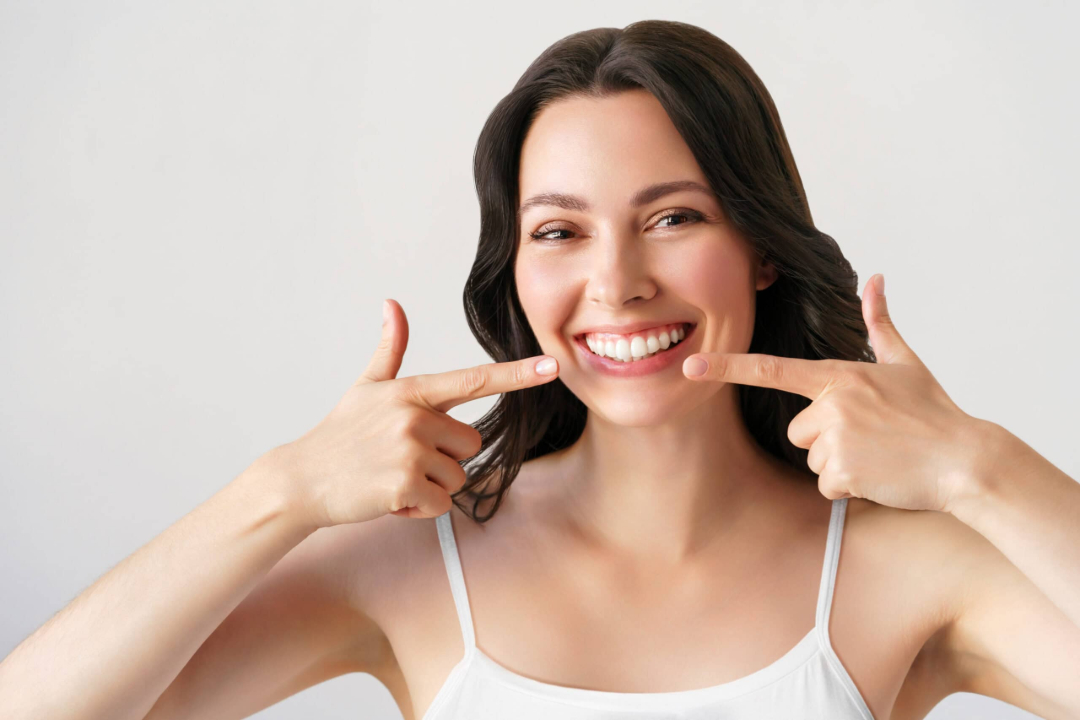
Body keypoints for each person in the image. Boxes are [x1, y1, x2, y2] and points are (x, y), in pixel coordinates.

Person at [3, 19, 1079, 720]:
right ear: (513, 270)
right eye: (560, 232)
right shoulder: (417, 562)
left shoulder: (905, 565)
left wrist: (981, 469)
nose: (616, 284)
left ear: (759, 244)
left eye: (672, 217)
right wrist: (281, 492)